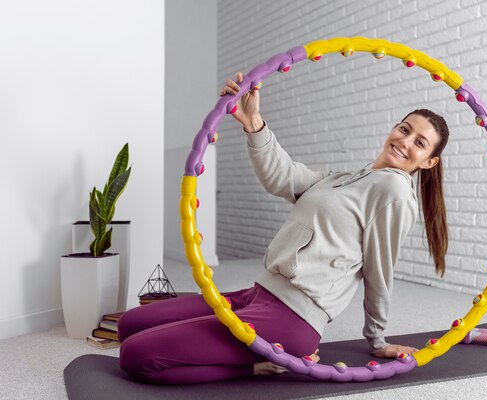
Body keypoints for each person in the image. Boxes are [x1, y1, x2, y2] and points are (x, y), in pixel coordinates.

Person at [118, 72, 449, 385]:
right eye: (404, 129)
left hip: (291, 319)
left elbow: (380, 271)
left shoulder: (394, 193)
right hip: (256, 294)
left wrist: (377, 340)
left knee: (136, 356)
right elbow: (283, 177)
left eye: (420, 143)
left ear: (428, 161)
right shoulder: (346, 178)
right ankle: (248, 353)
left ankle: (258, 366)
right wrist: (253, 124)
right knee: (129, 325)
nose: (405, 141)